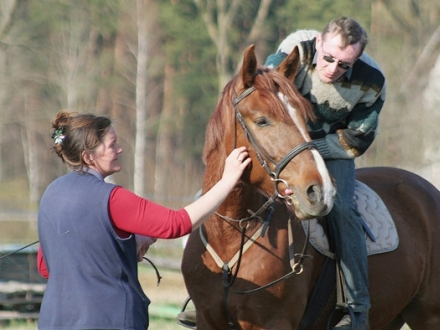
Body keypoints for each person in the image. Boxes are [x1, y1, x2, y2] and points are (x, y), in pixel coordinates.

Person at [36, 111, 252, 330]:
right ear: (88, 156)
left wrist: (127, 244)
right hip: (111, 320)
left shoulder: (51, 193)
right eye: (112, 145)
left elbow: (46, 267)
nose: (119, 149)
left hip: (55, 321)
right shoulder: (112, 198)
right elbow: (177, 224)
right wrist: (227, 181)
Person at [265, 17, 386, 330]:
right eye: (328, 58)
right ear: (318, 43)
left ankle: (358, 309)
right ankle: (204, 295)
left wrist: (311, 148)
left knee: (342, 209)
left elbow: (358, 138)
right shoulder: (290, 54)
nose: (332, 69)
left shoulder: (372, 81)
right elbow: (263, 96)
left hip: (334, 150)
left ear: (357, 59)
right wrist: (295, 148)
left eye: (344, 64)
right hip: (285, 146)